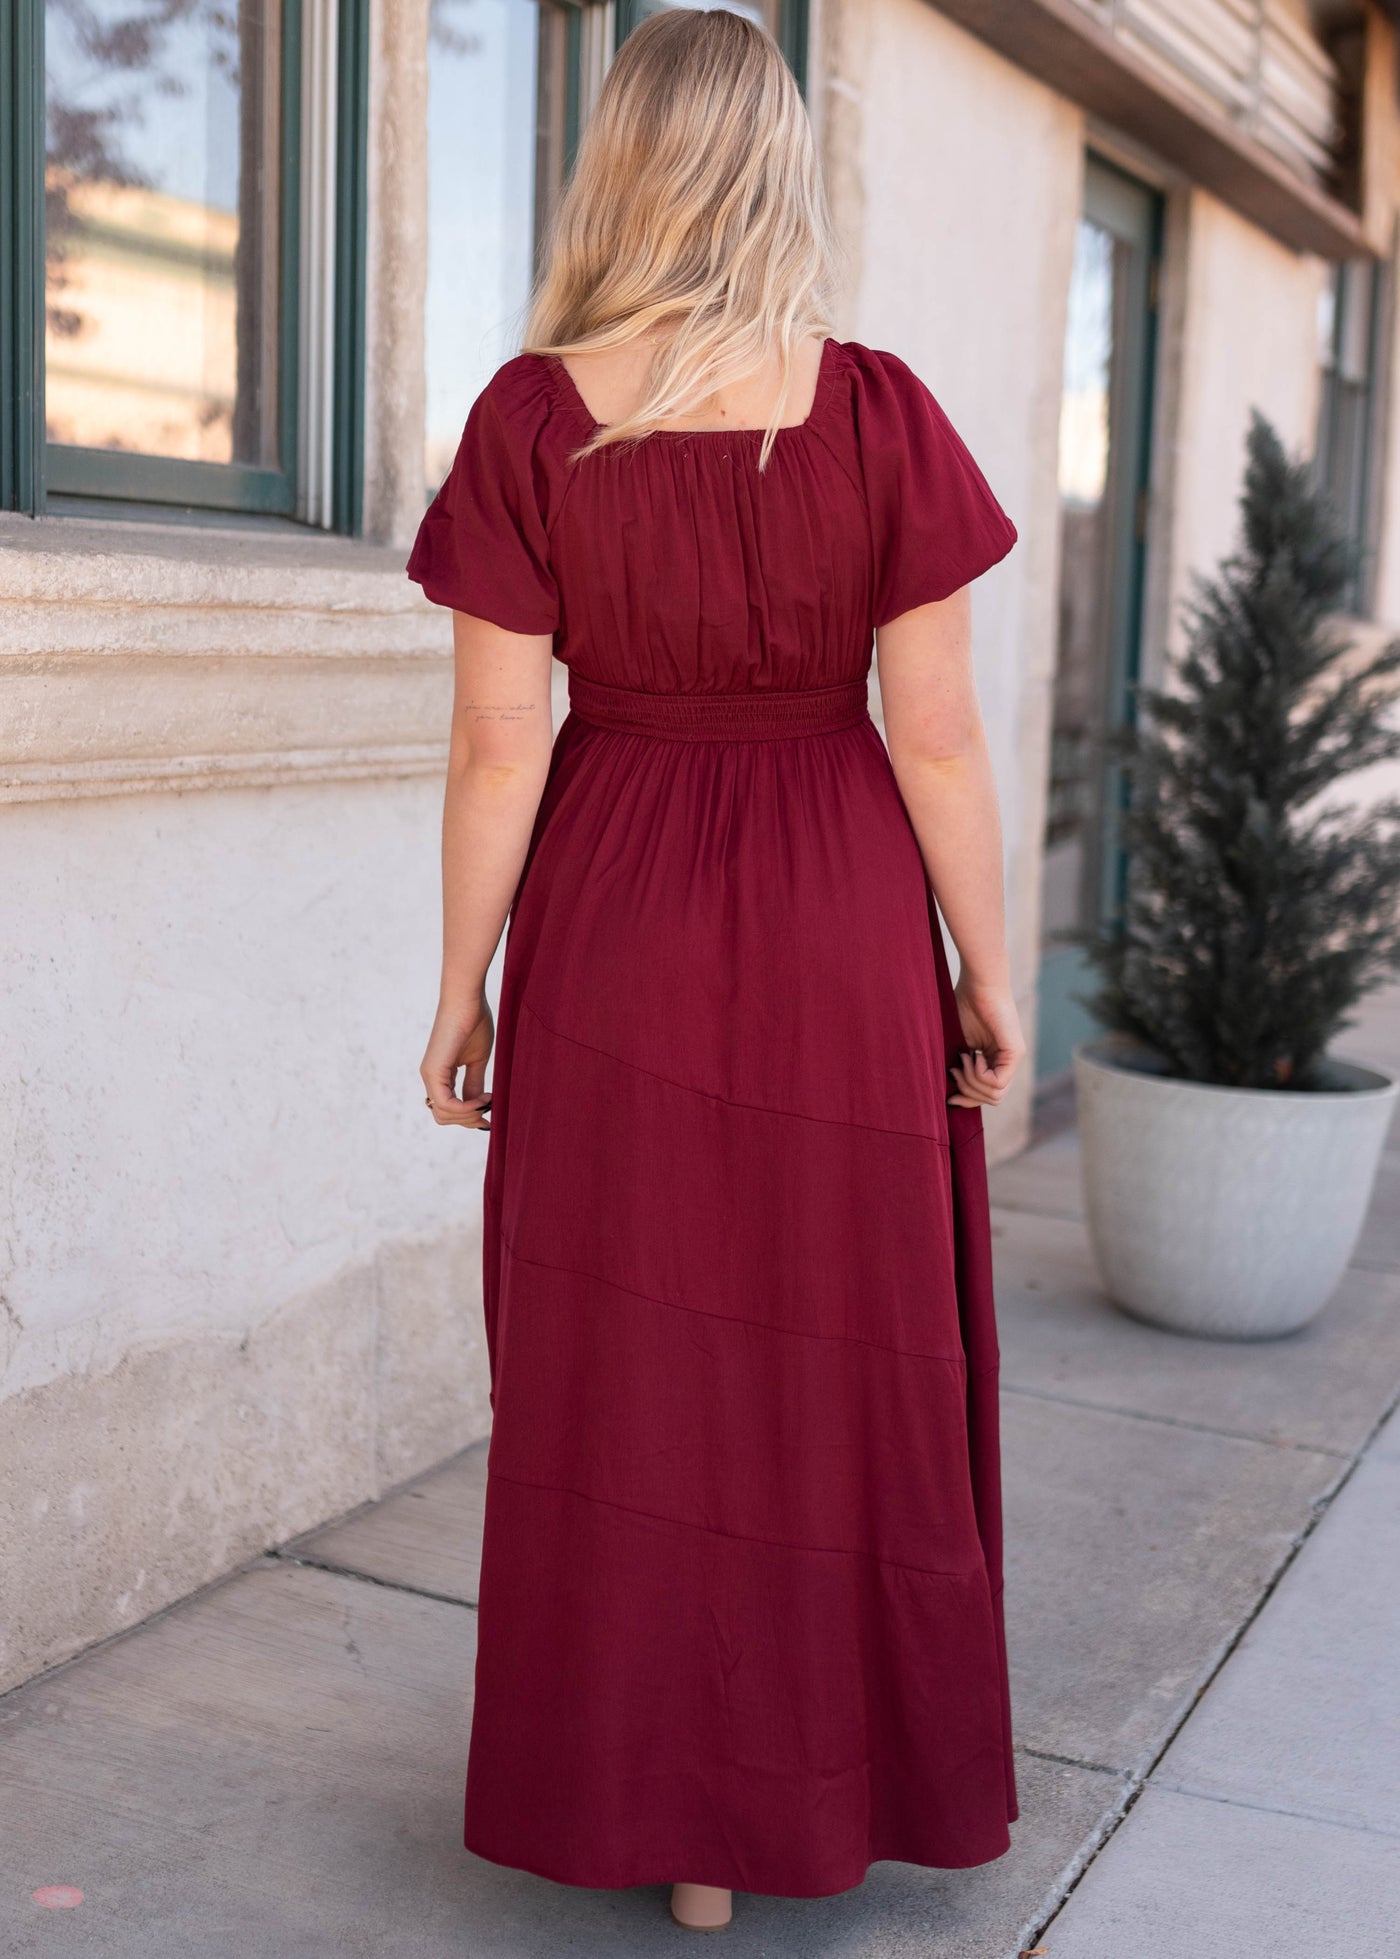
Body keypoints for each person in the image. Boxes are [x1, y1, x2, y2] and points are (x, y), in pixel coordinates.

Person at [407, 6, 1024, 1933]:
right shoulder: (876, 410)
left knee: (627, 1361)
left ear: (621, 162)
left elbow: (503, 745)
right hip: (839, 914)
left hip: (617, 917)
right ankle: (786, 1808)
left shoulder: (531, 417)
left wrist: (460, 984)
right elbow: (936, 736)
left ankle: (663, 1814)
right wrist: (990, 972)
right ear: (779, 161)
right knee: (837, 1354)